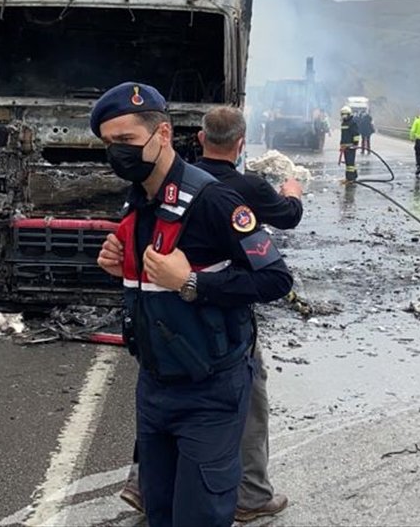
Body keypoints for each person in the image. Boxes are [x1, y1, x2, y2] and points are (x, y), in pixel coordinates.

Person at [93, 83, 294, 527]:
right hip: (153, 384)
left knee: (199, 516)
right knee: (159, 513)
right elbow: (152, 283)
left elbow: (276, 278)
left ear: (162, 133)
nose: (117, 153)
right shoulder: (138, 200)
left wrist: (193, 283)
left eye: (126, 141)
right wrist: (122, 268)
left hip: (210, 391)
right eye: (109, 144)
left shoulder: (215, 200)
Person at [339, 105, 361, 183]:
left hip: (351, 146)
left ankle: (349, 178)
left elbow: (356, 134)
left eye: (345, 114)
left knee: (350, 164)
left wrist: (355, 144)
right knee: (349, 162)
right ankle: (354, 176)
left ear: (349, 114)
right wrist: (341, 144)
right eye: (343, 114)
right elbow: (343, 135)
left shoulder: (352, 123)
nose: (344, 116)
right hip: (345, 146)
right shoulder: (344, 123)